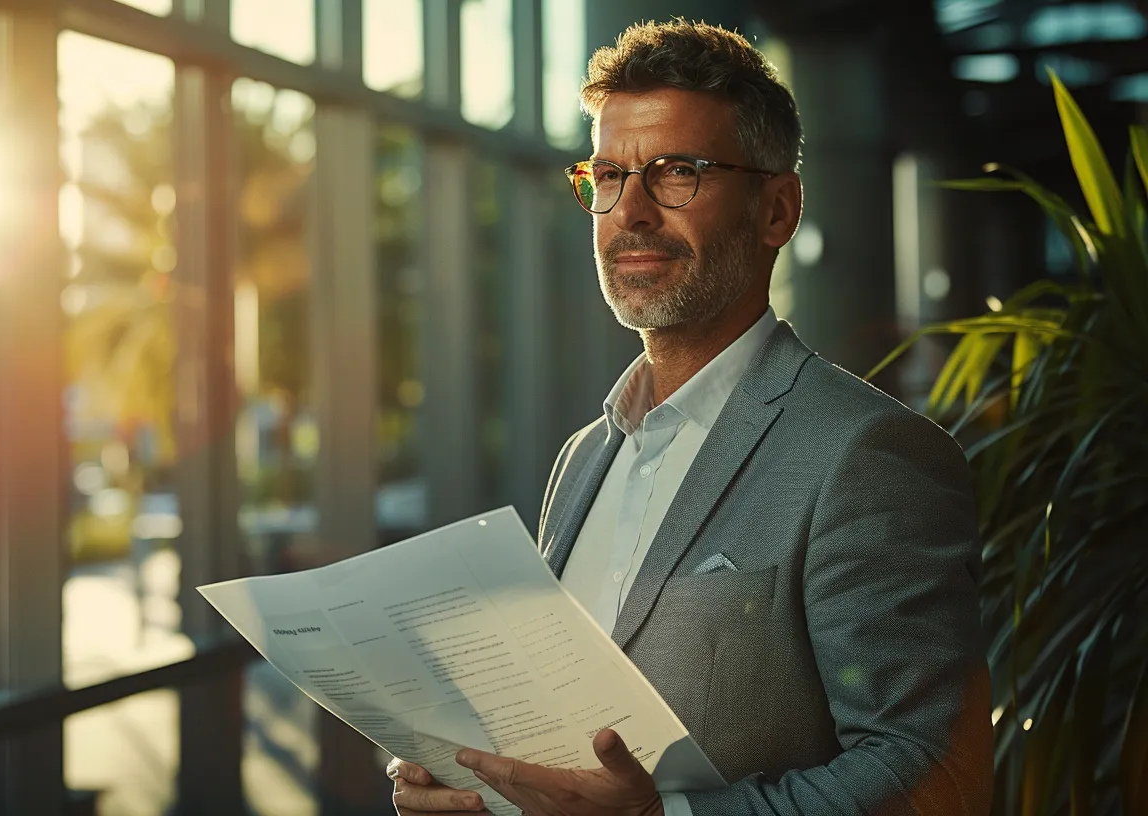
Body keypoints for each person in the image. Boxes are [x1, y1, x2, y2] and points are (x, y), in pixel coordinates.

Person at [387, 19, 992, 816]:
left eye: (677, 173)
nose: (630, 210)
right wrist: (472, 785)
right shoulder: (582, 459)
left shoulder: (870, 454)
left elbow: (935, 777)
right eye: (608, 175)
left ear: (777, 211)